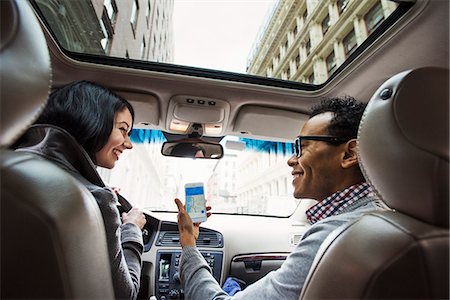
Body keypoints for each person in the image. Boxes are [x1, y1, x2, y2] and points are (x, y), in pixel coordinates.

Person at [174, 96, 389, 299]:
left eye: (300, 147)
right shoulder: (381, 218)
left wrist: (188, 242)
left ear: (349, 154)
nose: (290, 160)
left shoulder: (332, 237)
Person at [14, 80, 146, 300]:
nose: (129, 144)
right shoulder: (96, 200)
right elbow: (125, 295)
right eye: (123, 130)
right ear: (91, 121)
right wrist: (131, 229)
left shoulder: (10, 169)